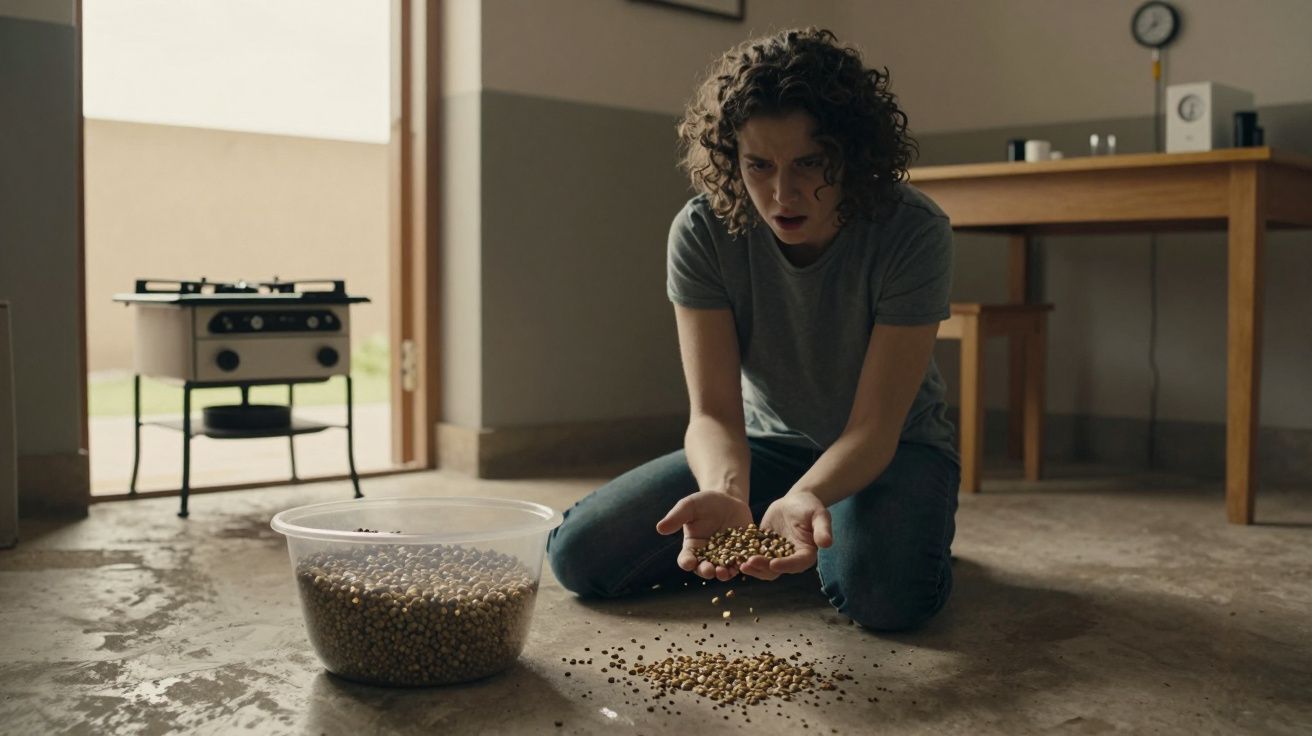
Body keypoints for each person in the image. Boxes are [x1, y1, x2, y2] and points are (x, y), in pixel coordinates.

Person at [547, 27, 960, 631]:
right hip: (770, 445)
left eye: (809, 164)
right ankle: (797, 527)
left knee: (885, 597)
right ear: (732, 160)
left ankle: (887, 532)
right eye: (758, 165)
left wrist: (806, 494)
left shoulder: (913, 231)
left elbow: (874, 427)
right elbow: (713, 413)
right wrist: (727, 489)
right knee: (578, 556)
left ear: (852, 155)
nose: (781, 193)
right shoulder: (702, 232)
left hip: (896, 451)